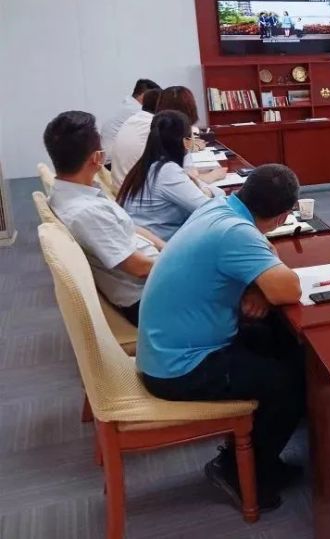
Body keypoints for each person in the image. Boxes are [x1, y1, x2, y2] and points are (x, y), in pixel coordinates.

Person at [138, 165, 305, 511]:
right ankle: (237, 471)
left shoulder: (219, 208)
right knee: (289, 383)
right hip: (181, 368)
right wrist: (265, 286)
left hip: (166, 347)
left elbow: (265, 256)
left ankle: (256, 455)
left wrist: (258, 286)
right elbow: (289, 288)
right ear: (282, 217)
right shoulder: (236, 233)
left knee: (275, 341)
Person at [43, 111, 163, 326]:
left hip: (153, 274)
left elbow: (131, 228)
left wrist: (168, 248)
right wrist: (184, 265)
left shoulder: (71, 192)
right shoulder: (86, 212)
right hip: (149, 296)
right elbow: (140, 268)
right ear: (97, 158)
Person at [118, 111, 225, 241]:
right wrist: (214, 192)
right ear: (186, 142)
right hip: (163, 244)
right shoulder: (167, 171)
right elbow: (211, 209)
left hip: (149, 240)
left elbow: (196, 188)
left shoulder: (148, 164)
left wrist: (206, 191)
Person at [100, 78, 160, 153]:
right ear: (143, 96)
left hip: (106, 153)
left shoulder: (127, 104)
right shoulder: (137, 111)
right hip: (113, 157)